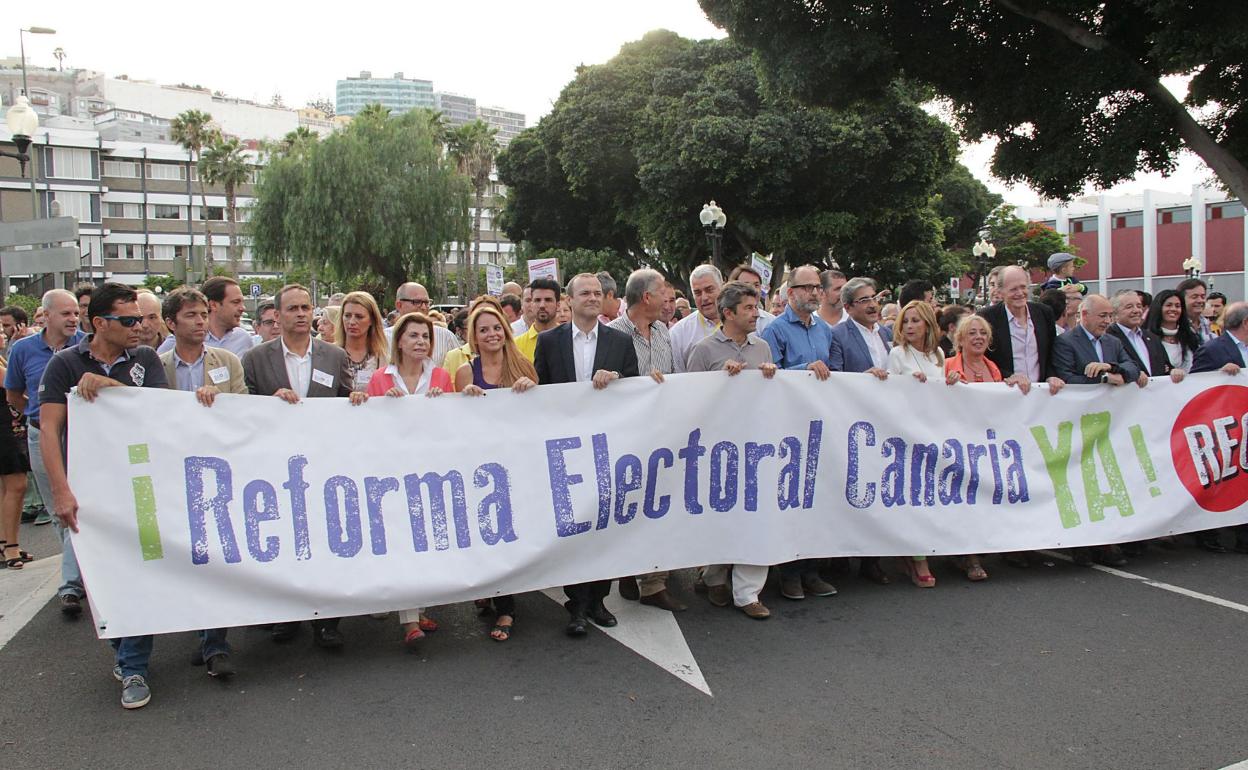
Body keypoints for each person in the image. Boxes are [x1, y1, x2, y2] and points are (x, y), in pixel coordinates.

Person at [39, 282, 169, 709]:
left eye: (143, 319)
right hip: (91, 489)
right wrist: (61, 491)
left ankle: (134, 666)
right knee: (105, 579)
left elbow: (159, 413)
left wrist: (110, 388)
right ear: (99, 323)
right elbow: (51, 432)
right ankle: (123, 649)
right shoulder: (63, 365)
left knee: (141, 574)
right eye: (129, 320)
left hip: (141, 487)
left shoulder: (146, 360)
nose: (140, 327)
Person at [242, 284, 364, 649]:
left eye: (305, 307)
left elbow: (345, 401)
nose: (299, 313)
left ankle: (328, 621)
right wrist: (269, 403)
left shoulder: (334, 355)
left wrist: (357, 399)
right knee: (287, 542)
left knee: (325, 541)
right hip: (275, 467)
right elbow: (242, 410)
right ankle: (287, 616)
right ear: (277, 315)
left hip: (325, 463)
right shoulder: (256, 358)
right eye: (291, 308)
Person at [533, 273, 639, 637]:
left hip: (607, 449)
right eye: (585, 293)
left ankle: (599, 599)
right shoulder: (549, 342)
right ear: (570, 299)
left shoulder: (620, 341)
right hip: (565, 451)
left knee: (605, 526)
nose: (593, 298)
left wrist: (617, 380)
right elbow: (541, 392)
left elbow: (635, 389)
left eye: (598, 293)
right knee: (574, 529)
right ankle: (576, 604)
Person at [157, 287, 246, 679]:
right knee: (188, 556)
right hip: (173, 472)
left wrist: (221, 403)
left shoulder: (226, 361)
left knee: (214, 554)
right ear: (170, 323)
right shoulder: (157, 367)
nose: (199, 322)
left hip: (218, 473)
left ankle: (216, 642)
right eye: (190, 315)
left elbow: (246, 409)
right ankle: (202, 629)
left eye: (202, 315)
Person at [686, 281, 778, 619]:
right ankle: (714, 575)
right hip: (717, 448)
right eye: (749, 309)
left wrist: (770, 377)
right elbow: (687, 400)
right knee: (721, 515)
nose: (756, 314)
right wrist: (718, 383)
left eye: (756, 307)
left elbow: (773, 398)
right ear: (728, 313)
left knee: (757, 515)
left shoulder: (762, 349)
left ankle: (748, 593)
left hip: (757, 447)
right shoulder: (705, 350)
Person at [452, 304, 539, 641]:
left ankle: (507, 607)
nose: (492, 334)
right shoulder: (464, 372)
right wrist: (465, 398)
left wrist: (531, 390)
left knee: (506, 533)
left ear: (506, 330)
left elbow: (542, 414)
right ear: (473, 336)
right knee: (483, 532)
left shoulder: (524, 366)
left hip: (515, 465)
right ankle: (489, 585)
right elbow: (453, 424)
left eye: (497, 327)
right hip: (478, 468)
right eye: (484, 329)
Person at [366, 311, 451, 647]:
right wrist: (380, 406)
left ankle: (418, 608)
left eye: (425, 337)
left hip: (432, 473)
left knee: (426, 543)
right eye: (413, 336)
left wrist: (446, 403)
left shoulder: (441, 377)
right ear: (398, 341)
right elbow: (369, 427)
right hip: (394, 475)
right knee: (404, 541)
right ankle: (410, 619)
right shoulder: (380, 379)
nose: (420, 342)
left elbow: (455, 424)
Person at [608, 269, 685, 612]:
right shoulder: (611, 335)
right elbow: (606, 387)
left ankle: (655, 583)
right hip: (626, 437)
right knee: (629, 505)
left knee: (661, 505)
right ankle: (626, 567)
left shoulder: (664, 332)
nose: (668, 297)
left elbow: (676, 379)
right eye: (662, 291)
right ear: (646, 297)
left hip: (662, 434)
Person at [4, 290, 85, 612]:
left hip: (82, 438)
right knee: (57, 508)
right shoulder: (23, 349)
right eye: (65, 313)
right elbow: (13, 393)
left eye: (76, 313)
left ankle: (70, 584)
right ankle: (76, 574)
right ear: (46, 315)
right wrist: (37, 414)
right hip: (42, 435)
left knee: (79, 505)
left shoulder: (85, 347)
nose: (72, 319)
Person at [1052, 294, 1141, 568]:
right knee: (1082, 482)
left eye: (1109, 316)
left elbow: (1132, 367)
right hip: (1077, 423)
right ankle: (1082, 545)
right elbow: (1066, 377)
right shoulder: (1066, 342)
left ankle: (1106, 541)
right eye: (1102, 316)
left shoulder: (1113, 342)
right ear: (1084, 315)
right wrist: (1104, 379)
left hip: (1109, 424)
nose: (1107, 321)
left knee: (1106, 479)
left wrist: (1111, 368)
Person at [886, 300, 957, 588]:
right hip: (907, 436)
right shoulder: (897, 354)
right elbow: (886, 394)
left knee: (933, 496)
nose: (910, 326)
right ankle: (918, 560)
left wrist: (952, 379)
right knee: (914, 496)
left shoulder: (939, 355)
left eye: (916, 320)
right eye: (906, 321)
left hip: (935, 434)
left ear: (928, 324)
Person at [829, 277, 893, 585]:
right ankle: (842, 555)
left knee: (880, 490)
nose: (872, 305)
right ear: (848, 307)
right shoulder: (838, 335)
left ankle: (873, 559)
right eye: (863, 300)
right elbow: (834, 378)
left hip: (887, 424)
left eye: (873, 298)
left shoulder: (887, 334)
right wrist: (862, 379)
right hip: (854, 425)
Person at [1190, 302, 1248, 554]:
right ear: (1245, 323)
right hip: (1221, 427)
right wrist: (1218, 374)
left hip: (1244, 424)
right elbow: (1193, 385)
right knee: (1221, 480)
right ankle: (1208, 534)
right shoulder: (1213, 349)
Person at [978, 266, 1064, 393]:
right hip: (1007, 393)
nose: (1020, 293)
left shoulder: (1044, 313)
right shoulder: (987, 317)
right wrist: (1008, 376)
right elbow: (982, 358)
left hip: (1042, 395)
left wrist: (1051, 375)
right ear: (1001, 292)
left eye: (1023, 287)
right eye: (1013, 289)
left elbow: (1052, 351)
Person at [1106, 289, 1178, 380]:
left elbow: (1166, 367)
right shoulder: (1107, 338)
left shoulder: (1152, 338)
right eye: (1129, 307)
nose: (1136, 310)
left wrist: (1173, 371)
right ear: (1115, 313)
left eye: (1139, 306)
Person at [0, 348, 29, 570]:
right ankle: (10, 545)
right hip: (4, 428)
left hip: (7, 424)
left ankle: (6, 543)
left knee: (7, 487)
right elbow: (11, 384)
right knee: (16, 484)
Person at [670, 264, 723, 371]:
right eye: (697, 293)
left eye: (709, 290)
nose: (704, 297)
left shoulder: (745, 324)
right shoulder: (678, 333)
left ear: (723, 287)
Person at [393, 283, 459, 368]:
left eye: (427, 303)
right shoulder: (383, 338)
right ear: (399, 305)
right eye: (417, 302)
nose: (424, 307)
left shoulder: (446, 337)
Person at [334, 292, 388, 392]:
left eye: (359, 317)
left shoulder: (383, 358)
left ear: (372, 320)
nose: (352, 322)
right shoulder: (329, 354)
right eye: (347, 316)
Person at [1147, 289, 1201, 373]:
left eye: (1177, 306)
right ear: (1158, 308)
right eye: (1168, 305)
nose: (1173, 309)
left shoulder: (1190, 337)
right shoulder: (1147, 338)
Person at [513, 278, 561, 362]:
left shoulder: (571, 340)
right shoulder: (517, 345)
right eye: (537, 300)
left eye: (548, 300)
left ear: (558, 305)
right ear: (531, 304)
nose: (542, 305)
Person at [728, 263, 776, 332]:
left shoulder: (772, 322)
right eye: (746, 285)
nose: (753, 290)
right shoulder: (726, 319)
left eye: (756, 285)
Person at [1176, 278, 1214, 343]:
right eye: (1194, 297)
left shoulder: (1206, 323)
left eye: (1203, 297)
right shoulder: (1175, 325)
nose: (1200, 301)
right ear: (1181, 299)